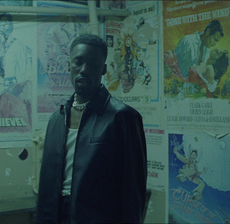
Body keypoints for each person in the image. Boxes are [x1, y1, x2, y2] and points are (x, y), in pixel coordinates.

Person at [36, 34, 147, 224]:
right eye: (78, 62)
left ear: (103, 69)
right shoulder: (57, 119)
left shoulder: (122, 117)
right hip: (54, 215)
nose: (84, 70)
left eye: (93, 64)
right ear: (68, 66)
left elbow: (133, 190)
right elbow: (46, 184)